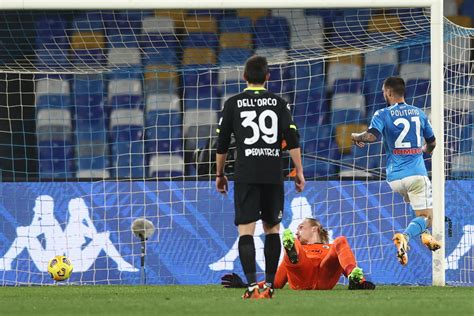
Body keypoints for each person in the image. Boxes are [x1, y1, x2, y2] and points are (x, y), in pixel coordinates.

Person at [216, 55, 305, 299]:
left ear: (244, 77)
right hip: (272, 173)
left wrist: (220, 174)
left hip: (245, 173)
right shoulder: (279, 103)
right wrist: (299, 171)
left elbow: (222, 144)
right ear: (268, 77)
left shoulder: (232, 103)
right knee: (272, 229)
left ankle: (252, 286)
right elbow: (293, 140)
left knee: (246, 231)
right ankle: (269, 285)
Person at [351, 76, 441, 266]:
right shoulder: (419, 113)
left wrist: (357, 136)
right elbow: (432, 142)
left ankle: (425, 237)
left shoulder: (382, 113)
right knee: (427, 217)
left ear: (389, 92)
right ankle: (405, 237)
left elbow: (371, 136)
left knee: (416, 208)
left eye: (384, 91)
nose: (384, 94)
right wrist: (424, 151)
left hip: (394, 179)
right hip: (416, 174)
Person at [221, 218, 375, 290]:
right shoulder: (298, 246)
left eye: (301, 227)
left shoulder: (331, 247)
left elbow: (343, 257)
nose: (298, 231)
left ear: (314, 228)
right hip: (302, 275)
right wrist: (246, 285)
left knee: (340, 241)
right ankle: (293, 256)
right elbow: (277, 282)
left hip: (324, 276)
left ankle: (357, 280)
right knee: (293, 242)